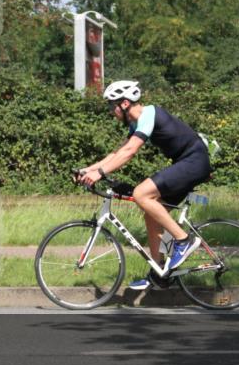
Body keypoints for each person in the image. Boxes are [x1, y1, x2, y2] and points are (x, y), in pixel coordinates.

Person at [76, 80, 212, 291]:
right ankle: (159, 272)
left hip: (194, 161)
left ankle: (183, 241)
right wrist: (89, 170)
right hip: (186, 162)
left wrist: (100, 173)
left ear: (124, 103)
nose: (111, 111)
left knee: (141, 194)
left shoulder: (149, 114)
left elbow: (130, 152)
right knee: (151, 213)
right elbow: (118, 153)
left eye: (112, 106)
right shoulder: (136, 123)